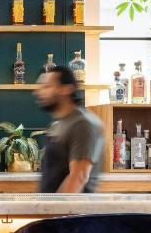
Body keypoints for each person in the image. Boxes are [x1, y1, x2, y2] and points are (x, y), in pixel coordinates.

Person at [34, 65, 103, 193]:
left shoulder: (82, 124)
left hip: (70, 206)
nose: (38, 92)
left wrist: (53, 205)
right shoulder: (59, 122)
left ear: (66, 89)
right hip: (52, 204)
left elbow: (79, 177)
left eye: (47, 87)